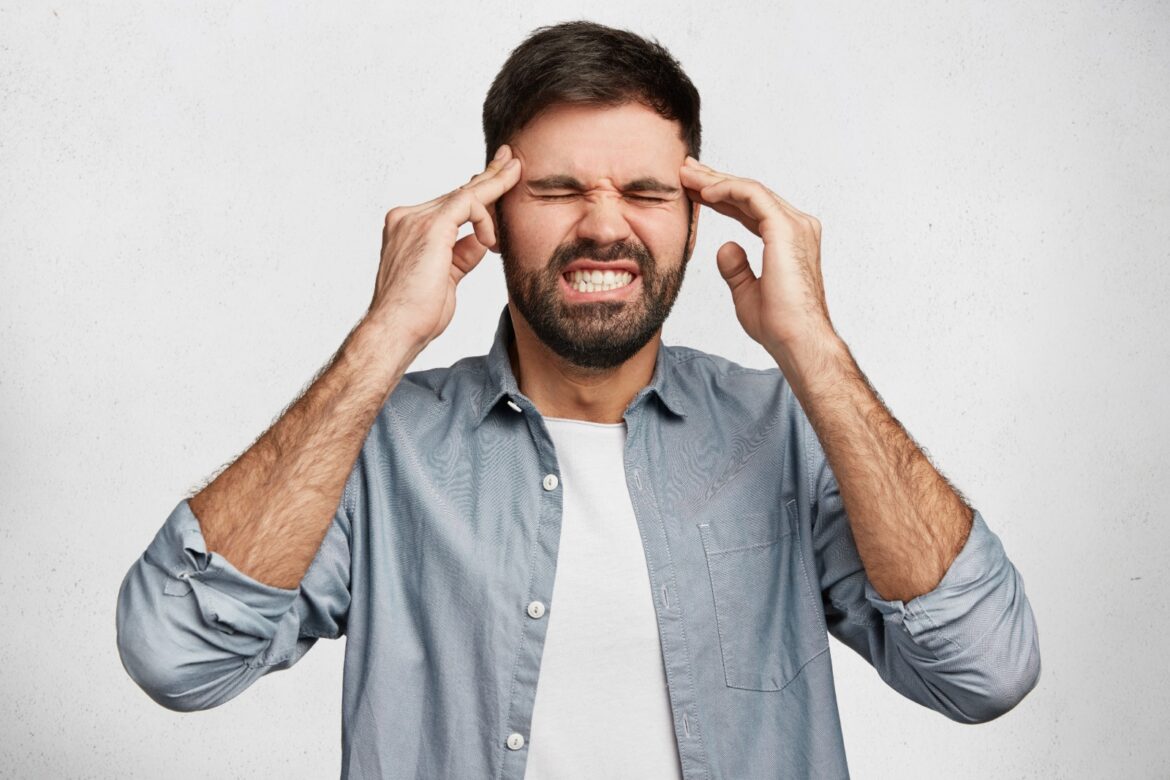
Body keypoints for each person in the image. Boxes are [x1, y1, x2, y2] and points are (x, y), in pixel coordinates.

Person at [116, 20, 1041, 779]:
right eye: (558, 190)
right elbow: (177, 655)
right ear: (489, 212)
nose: (604, 225)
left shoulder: (789, 434)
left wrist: (816, 350)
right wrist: (384, 336)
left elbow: (986, 673)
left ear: (694, 219)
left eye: (647, 192)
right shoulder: (379, 450)